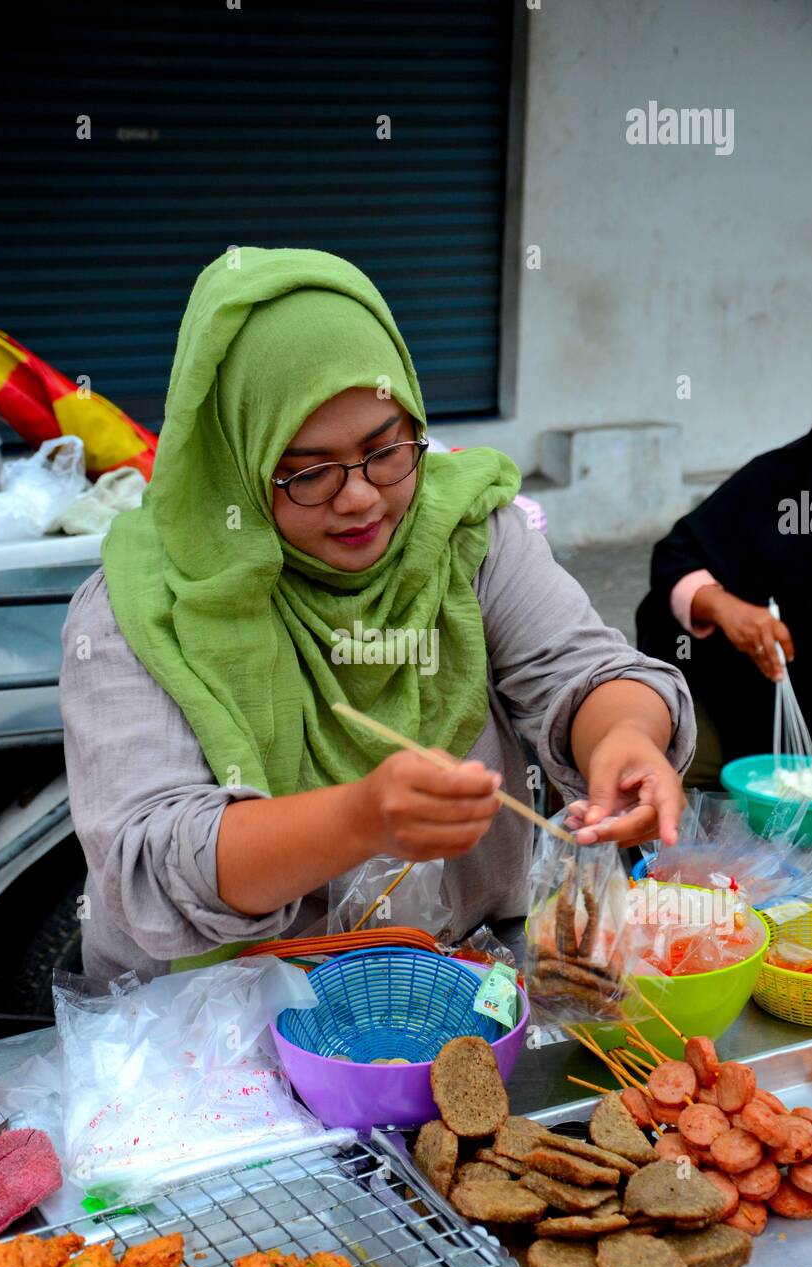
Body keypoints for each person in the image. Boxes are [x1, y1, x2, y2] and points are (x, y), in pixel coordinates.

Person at [60, 247, 694, 984]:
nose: (360, 497)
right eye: (307, 472)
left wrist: (625, 738)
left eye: (385, 449)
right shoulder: (142, 611)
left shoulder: (462, 534)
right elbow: (153, 860)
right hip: (215, 1016)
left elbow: (582, 669)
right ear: (237, 461)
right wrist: (356, 821)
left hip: (457, 975)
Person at [636, 423, 812, 785]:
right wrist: (725, 608)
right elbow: (676, 559)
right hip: (738, 705)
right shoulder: (784, 479)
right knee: (662, 780)